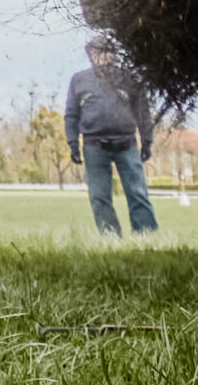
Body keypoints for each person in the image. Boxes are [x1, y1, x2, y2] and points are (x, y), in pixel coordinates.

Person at [65, 35, 160, 235]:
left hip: (127, 144)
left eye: (107, 51)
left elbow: (142, 111)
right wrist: (72, 142)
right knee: (99, 196)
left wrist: (147, 141)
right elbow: (72, 114)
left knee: (137, 193)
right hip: (94, 145)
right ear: (90, 55)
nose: (103, 56)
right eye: (97, 52)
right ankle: (110, 237)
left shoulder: (129, 78)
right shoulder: (79, 80)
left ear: (114, 54)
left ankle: (146, 235)